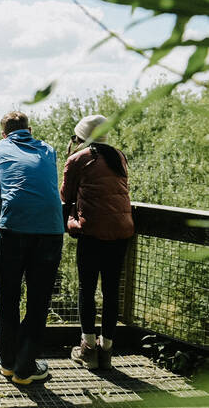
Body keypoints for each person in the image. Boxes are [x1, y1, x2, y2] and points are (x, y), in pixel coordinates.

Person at [0, 111, 63, 385]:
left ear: (4, 134)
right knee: (38, 301)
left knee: (7, 298)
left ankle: (6, 361)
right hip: (51, 229)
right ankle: (24, 368)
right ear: (29, 129)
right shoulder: (48, 149)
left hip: (13, 228)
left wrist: (3, 208)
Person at [61, 115, 134, 370]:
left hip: (92, 232)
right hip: (121, 232)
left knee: (87, 289)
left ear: (80, 137)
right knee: (112, 289)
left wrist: (71, 154)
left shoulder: (79, 159)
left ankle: (88, 349)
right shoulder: (119, 156)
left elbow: (66, 195)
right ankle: (107, 350)